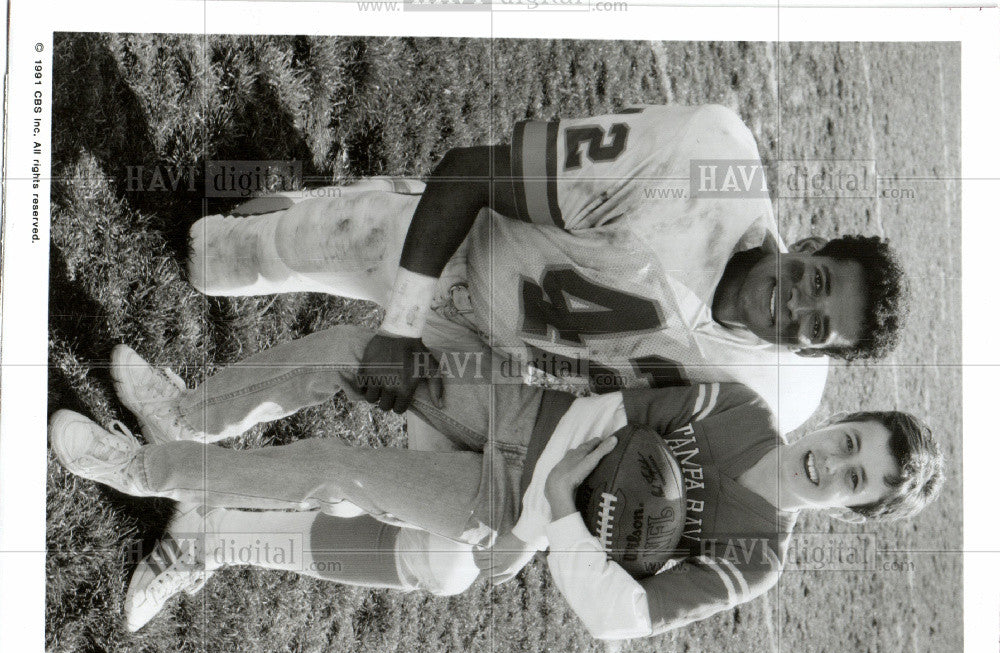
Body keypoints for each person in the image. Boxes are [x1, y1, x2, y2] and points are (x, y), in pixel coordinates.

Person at [48, 326, 942, 635]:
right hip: (523, 417)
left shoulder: (757, 557)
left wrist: (558, 517)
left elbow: (617, 616)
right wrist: (571, 487)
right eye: (853, 439)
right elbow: (614, 416)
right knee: (362, 353)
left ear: (853, 509)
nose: (837, 460)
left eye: (855, 480)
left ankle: (141, 468)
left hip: (507, 509)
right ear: (842, 418)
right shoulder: (742, 403)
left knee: (335, 466)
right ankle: (189, 415)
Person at [189, 104, 908, 434]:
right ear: (809, 241)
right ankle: (345, 208)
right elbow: (469, 174)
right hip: (471, 245)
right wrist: (402, 328)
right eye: (816, 281)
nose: (795, 308)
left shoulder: (773, 393)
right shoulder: (699, 162)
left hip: (503, 370)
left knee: (443, 556)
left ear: (811, 354)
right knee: (217, 258)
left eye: (814, 330)